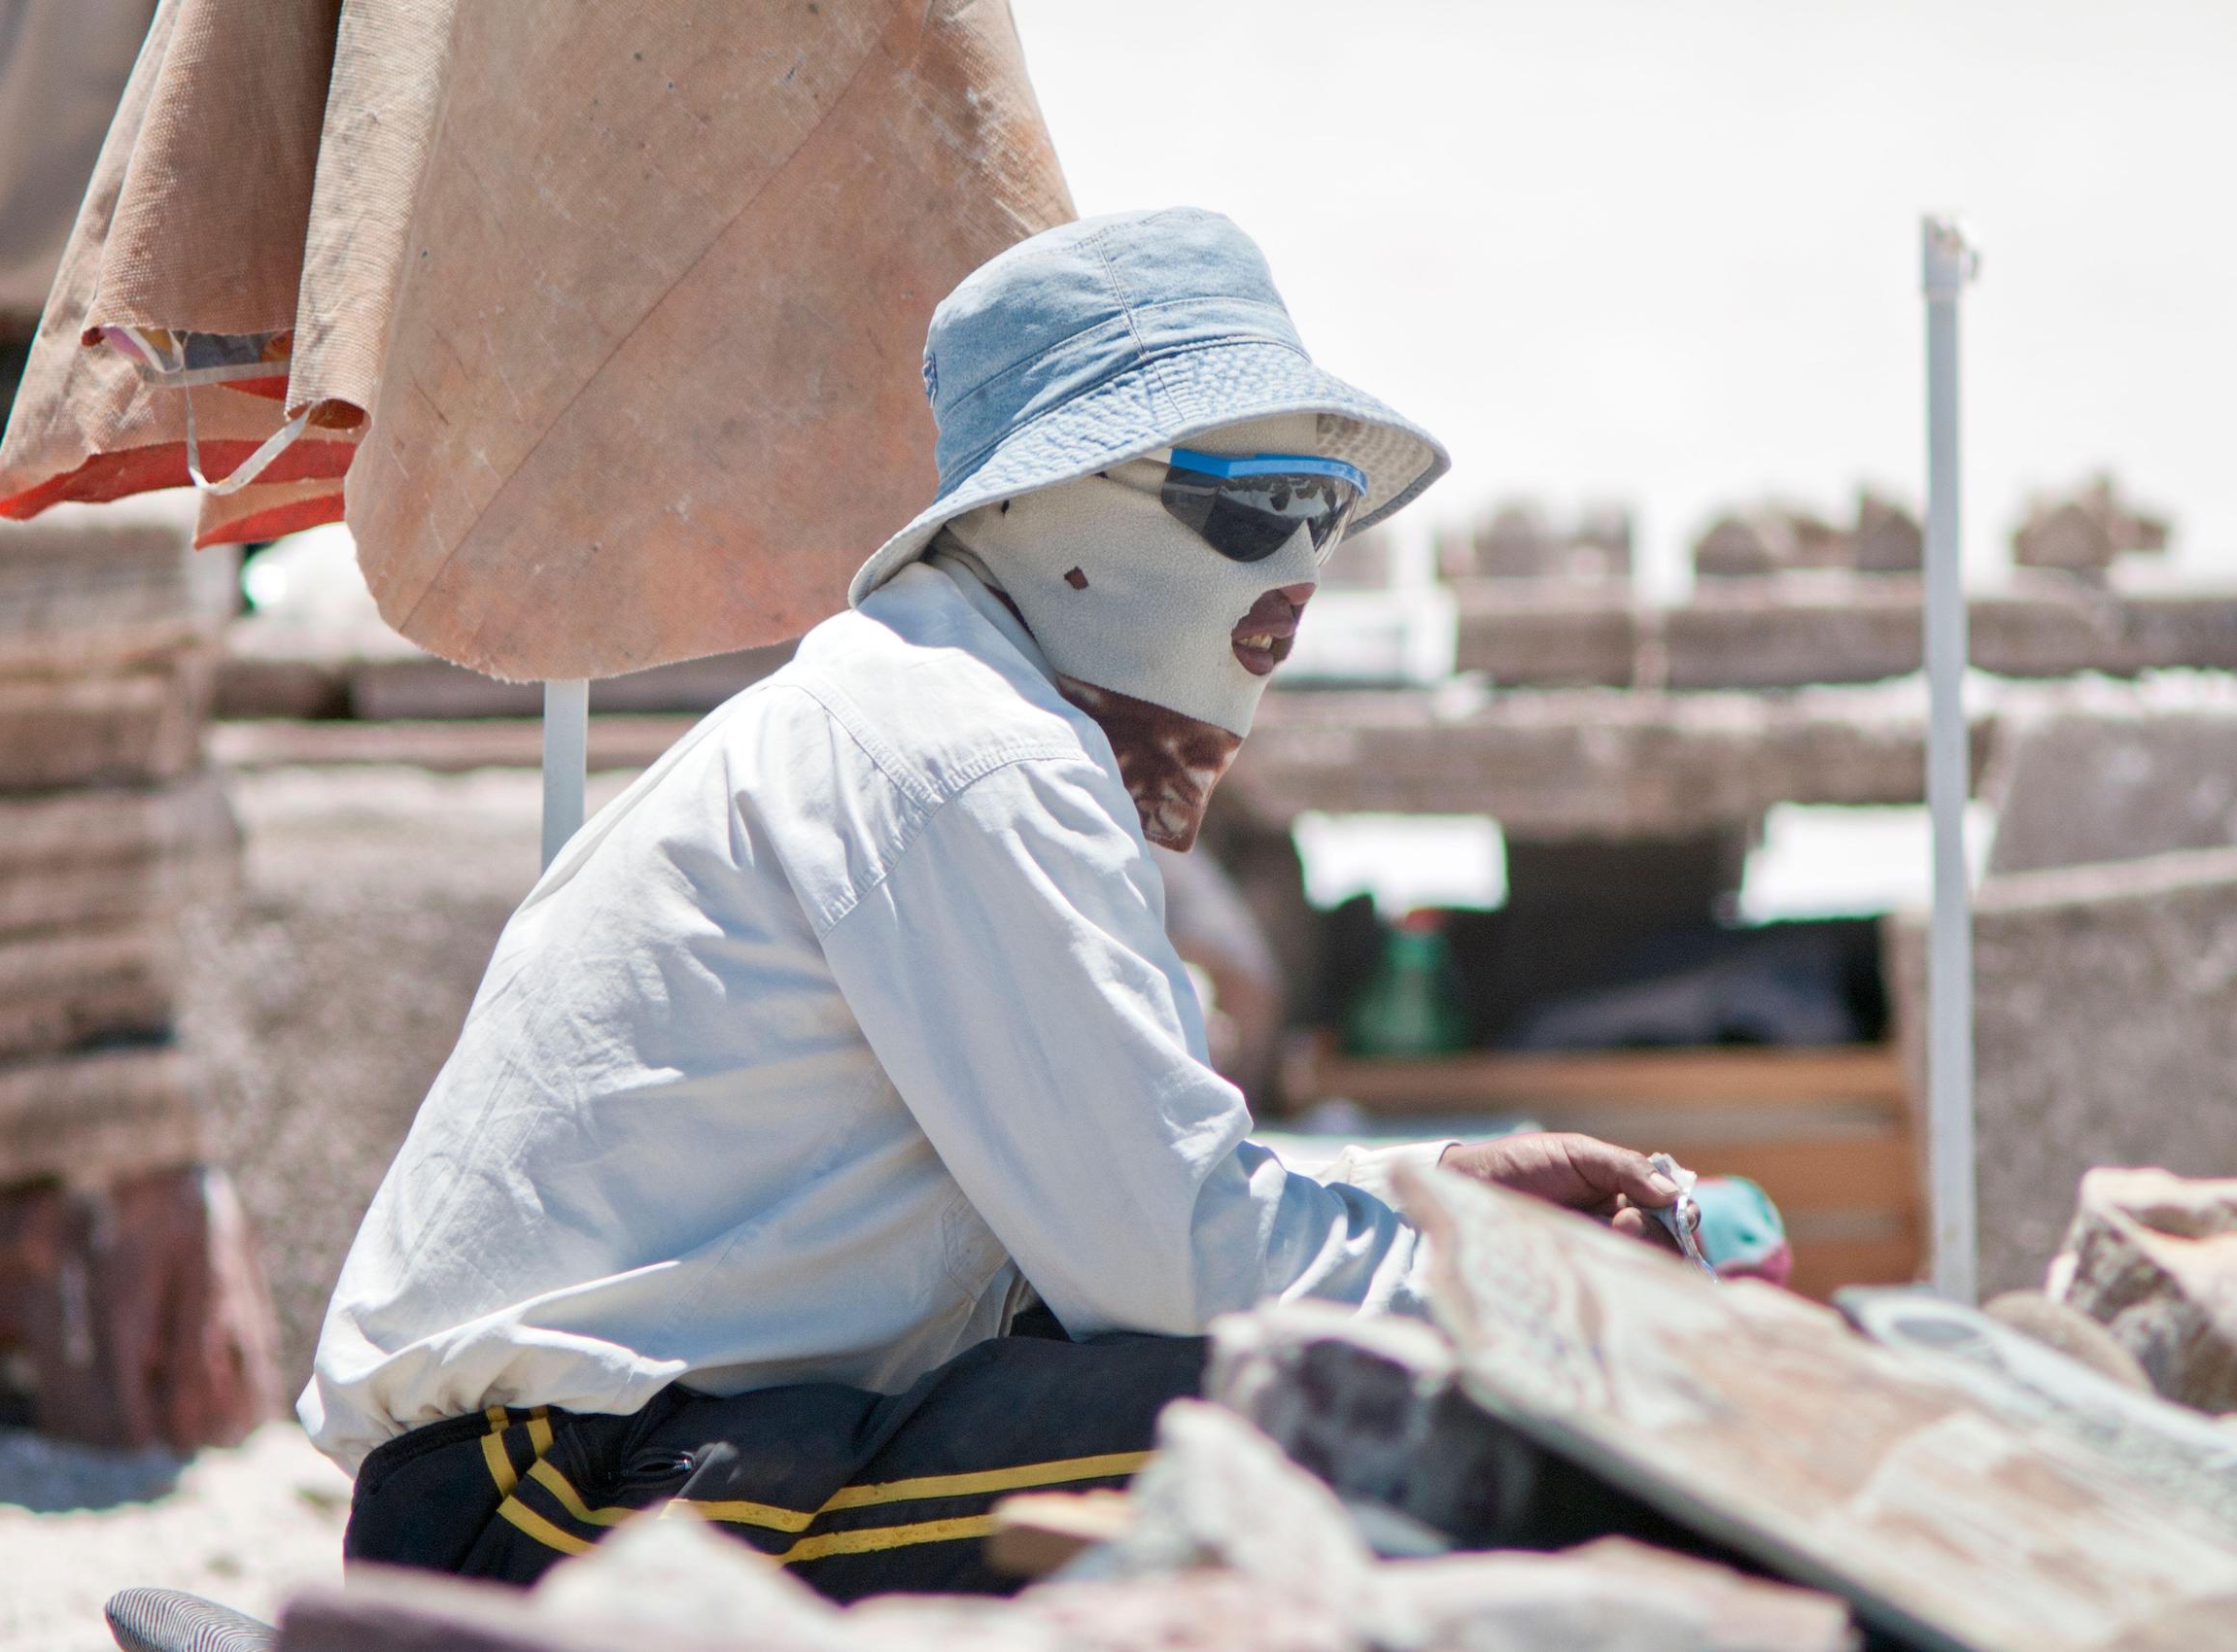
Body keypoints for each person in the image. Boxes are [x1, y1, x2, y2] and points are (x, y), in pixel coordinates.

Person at [304, 208, 1690, 1600]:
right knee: (1367, 1431)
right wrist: (1500, 1289)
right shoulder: (965, 751)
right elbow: (1170, 1261)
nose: (1298, 580)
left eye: (1322, 511)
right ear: (1052, 511)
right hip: (547, 1515)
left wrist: (1435, 1196)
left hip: (603, 1468)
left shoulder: (935, 714)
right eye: (1255, 505)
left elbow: (1145, 1196)